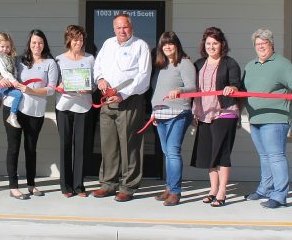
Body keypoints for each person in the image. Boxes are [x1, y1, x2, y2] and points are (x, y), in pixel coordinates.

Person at [229, 28, 292, 209]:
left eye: (264, 43)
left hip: (275, 118)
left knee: (276, 156)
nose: (260, 46)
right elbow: (243, 93)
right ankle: (265, 189)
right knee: (264, 157)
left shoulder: (282, 64)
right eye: (257, 44)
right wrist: (239, 114)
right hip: (255, 118)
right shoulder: (250, 66)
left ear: (271, 44)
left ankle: (279, 196)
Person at [92, 14, 152, 202]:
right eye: (118, 28)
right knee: (108, 144)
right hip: (107, 100)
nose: (122, 31)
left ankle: (128, 186)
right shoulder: (108, 44)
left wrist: (123, 95)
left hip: (129, 100)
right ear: (114, 29)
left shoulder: (140, 46)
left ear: (131, 27)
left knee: (129, 145)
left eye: (125, 27)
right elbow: (98, 65)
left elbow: (143, 77)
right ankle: (108, 184)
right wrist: (99, 79)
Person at [0, 29, 58, 200]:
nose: (36, 46)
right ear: (29, 44)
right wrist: (0, 82)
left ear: (44, 44)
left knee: (31, 149)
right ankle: (14, 187)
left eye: (39, 42)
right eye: (33, 43)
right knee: (13, 148)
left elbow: (51, 89)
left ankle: (31, 184)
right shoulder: (18, 61)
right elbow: (2, 73)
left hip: (35, 111)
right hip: (13, 109)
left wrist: (31, 90)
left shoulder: (50, 63)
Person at [190, 27, 242, 207]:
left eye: (215, 43)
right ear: (204, 45)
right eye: (208, 43)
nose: (211, 47)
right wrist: (194, 111)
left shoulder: (230, 63)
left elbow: (236, 85)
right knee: (209, 154)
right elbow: (192, 89)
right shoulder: (198, 64)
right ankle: (213, 189)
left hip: (225, 112)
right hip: (204, 113)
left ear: (222, 45)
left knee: (222, 153)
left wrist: (232, 89)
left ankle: (222, 191)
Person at [150, 31, 196, 206]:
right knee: (167, 152)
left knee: (173, 151)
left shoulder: (185, 63)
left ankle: (176, 191)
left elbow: (192, 86)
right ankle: (169, 188)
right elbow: (158, 91)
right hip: (160, 113)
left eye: (170, 43)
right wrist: (154, 111)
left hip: (178, 112)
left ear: (176, 45)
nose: (167, 47)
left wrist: (181, 91)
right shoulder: (161, 66)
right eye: (164, 44)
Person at [54, 25, 95, 198]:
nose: (78, 42)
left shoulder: (90, 59)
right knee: (65, 146)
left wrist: (89, 89)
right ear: (68, 40)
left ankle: (79, 186)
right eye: (75, 39)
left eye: (80, 39)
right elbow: (53, 84)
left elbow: (94, 83)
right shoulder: (59, 60)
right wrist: (60, 87)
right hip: (63, 107)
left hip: (83, 106)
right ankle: (65, 186)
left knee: (81, 148)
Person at [0, 32, 23, 128]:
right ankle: (12, 116)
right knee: (18, 94)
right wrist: (14, 81)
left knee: (21, 92)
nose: (5, 49)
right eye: (2, 46)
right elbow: (4, 72)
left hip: (8, 84)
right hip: (3, 85)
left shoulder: (9, 57)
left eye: (7, 47)